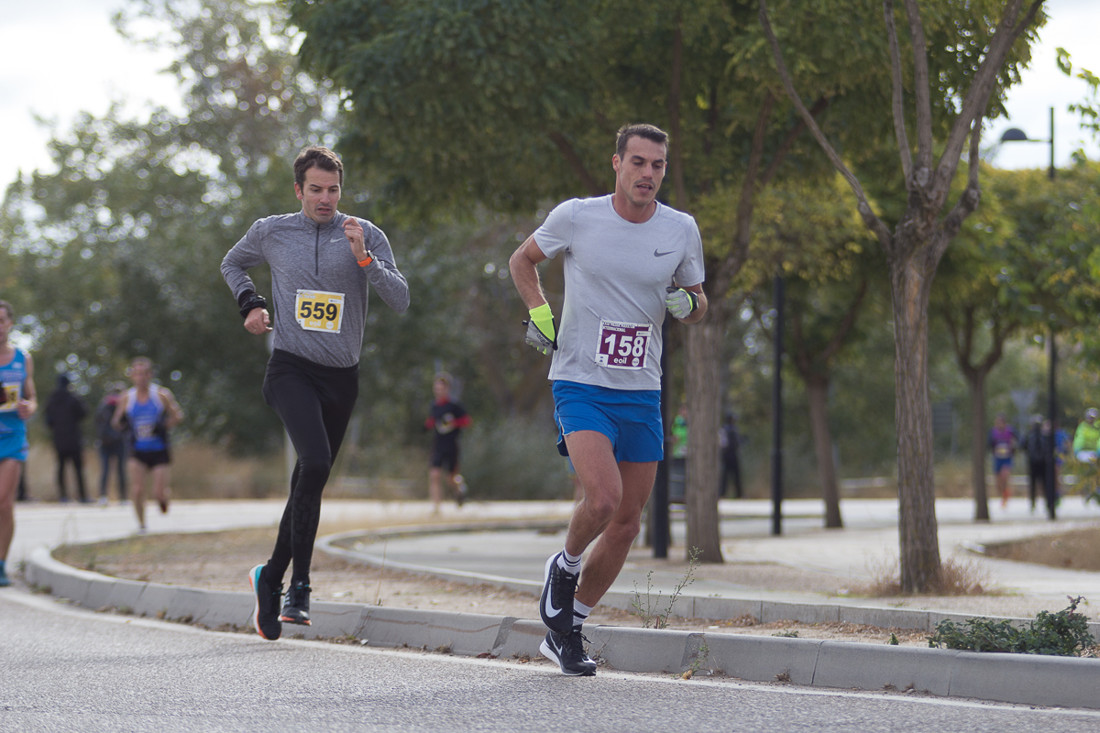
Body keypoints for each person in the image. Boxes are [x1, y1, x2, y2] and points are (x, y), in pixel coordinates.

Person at [508, 123, 707, 676]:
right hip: (580, 381)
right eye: (638, 162)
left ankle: (568, 630)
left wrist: (689, 307)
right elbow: (521, 261)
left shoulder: (680, 228)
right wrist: (541, 312)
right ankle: (565, 565)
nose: (648, 174)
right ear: (616, 163)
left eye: (658, 165)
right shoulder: (577, 216)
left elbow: (696, 298)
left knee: (626, 523)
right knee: (601, 500)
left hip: (642, 390)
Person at [221, 145, 409, 641]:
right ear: (298, 190)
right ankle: (298, 587)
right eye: (316, 190)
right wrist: (251, 305)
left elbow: (400, 298)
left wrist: (364, 257)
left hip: (341, 377)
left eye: (333, 190)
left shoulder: (365, 233)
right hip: (289, 369)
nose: (325, 199)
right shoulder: (273, 230)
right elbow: (232, 263)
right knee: (318, 464)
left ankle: (270, 576)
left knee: (310, 477)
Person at [111, 357, 183, 532]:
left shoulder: (161, 395)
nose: (141, 378)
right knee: (137, 490)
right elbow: (116, 421)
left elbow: (178, 416)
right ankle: (142, 525)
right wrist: (124, 425)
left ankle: (163, 499)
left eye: (144, 374)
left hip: (159, 450)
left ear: (150, 375)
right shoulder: (127, 397)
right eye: (137, 374)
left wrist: (164, 425)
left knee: (159, 493)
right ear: (132, 376)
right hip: (137, 450)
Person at [0, 300, 37, 587]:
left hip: (13, 438)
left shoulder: (22, 358)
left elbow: (32, 396)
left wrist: (29, 406)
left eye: (2, 320)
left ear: (10, 323)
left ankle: (1, 564)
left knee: (4, 501)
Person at [425, 373, 471, 513]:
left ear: (447, 389)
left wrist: (453, 423)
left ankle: (460, 490)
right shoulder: (434, 405)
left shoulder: (454, 405)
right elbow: (431, 422)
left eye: (441, 388)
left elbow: (467, 421)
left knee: (451, 478)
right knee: (434, 475)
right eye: (436, 388)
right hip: (438, 445)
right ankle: (436, 508)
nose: (438, 391)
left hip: (452, 445)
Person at [44, 374, 89, 503]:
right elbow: (84, 413)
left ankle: (63, 496)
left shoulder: (51, 400)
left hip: (59, 439)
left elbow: (48, 421)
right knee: (78, 469)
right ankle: (83, 496)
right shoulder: (73, 398)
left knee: (61, 468)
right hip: (74, 438)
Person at [94, 386, 128, 505]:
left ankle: (119, 497)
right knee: (112, 470)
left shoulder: (103, 406)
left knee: (114, 470)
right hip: (111, 442)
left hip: (109, 442)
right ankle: (111, 497)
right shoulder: (108, 406)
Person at [988, 413, 1017, 508]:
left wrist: (1013, 447)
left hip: (1007, 458)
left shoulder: (1010, 431)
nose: (999, 424)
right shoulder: (993, 432)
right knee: (998, 481)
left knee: (1005, 476)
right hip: (997, 458)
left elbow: (1018, 440)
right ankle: (1003, 494)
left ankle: (1005, 496)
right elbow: (989, 443)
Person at [719, 411, 743, 499]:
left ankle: (736, 494)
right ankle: (724, 493)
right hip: (728, 455)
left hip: (729, 454)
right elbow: (723, 443)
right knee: (727, 475)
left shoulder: (728, 429)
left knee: (733, 475)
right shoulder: (727, 429)